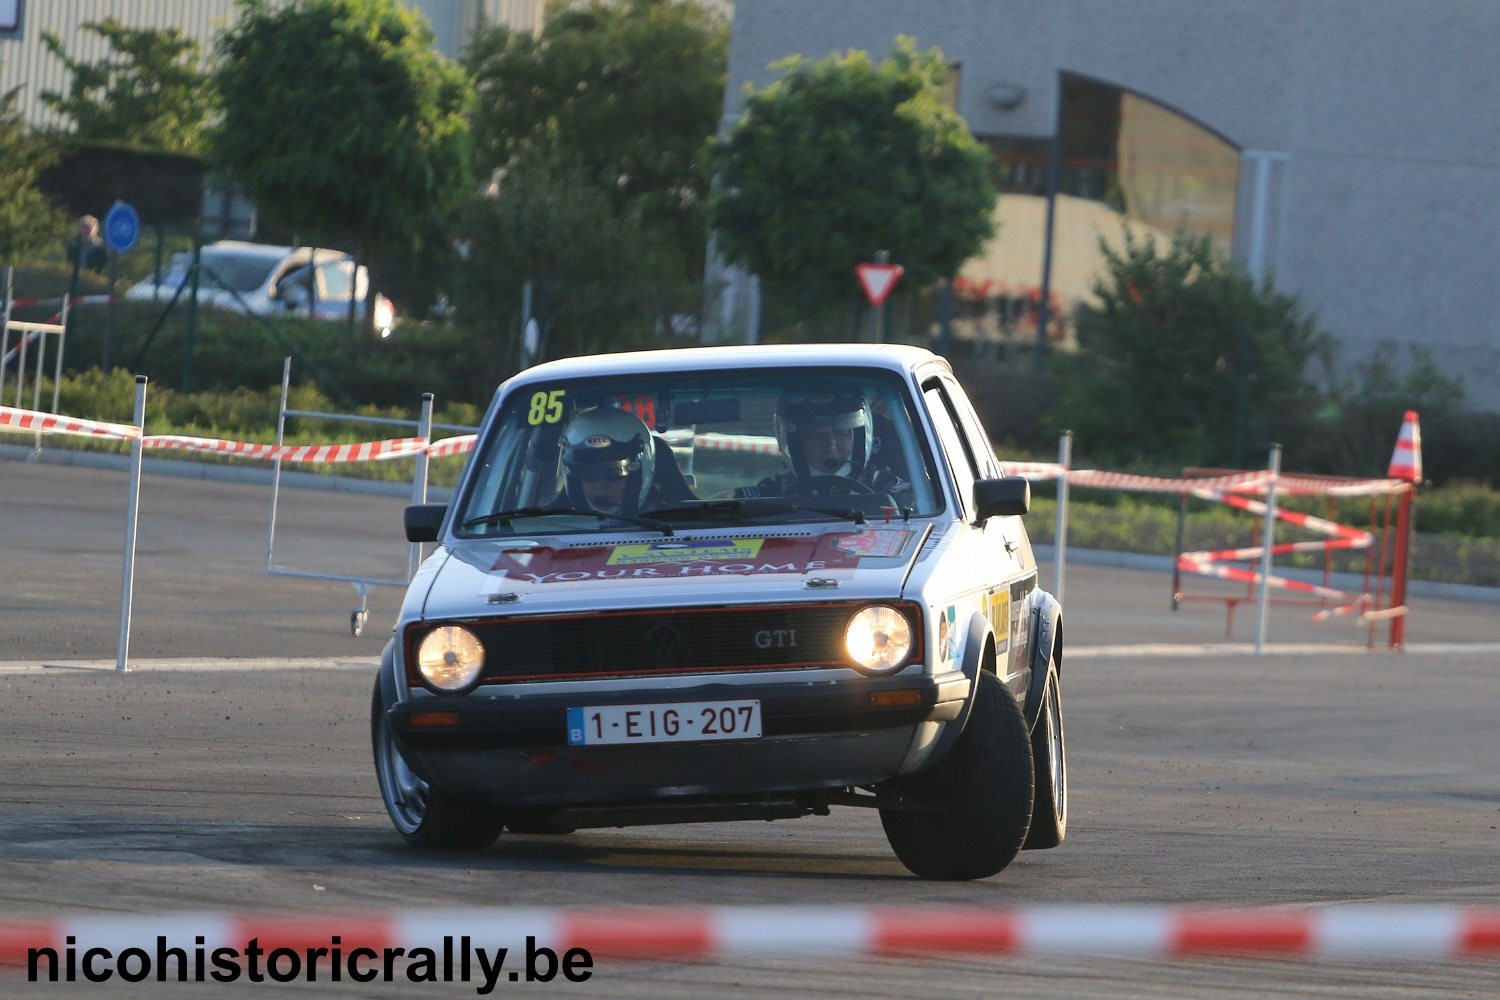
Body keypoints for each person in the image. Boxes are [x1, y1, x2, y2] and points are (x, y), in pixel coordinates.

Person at [737, 388, 912, 506]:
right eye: (818, 436)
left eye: (841, 434)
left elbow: (915, 509)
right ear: (796, 442)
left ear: (858, 437)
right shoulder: (772, 492)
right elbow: (727, 507)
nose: (831, 445)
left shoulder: (884, 485)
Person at [557, 406, 659, 516]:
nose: (601, 484)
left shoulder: (671, 519)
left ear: (637, 477)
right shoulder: (548, 522)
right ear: (573, 479)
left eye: (614, 472)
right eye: (588, 474)